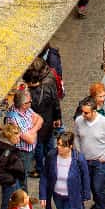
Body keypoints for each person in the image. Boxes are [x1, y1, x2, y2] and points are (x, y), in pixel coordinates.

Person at [73, 96, 105, 209]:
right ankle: (97, 204)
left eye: (86, 112)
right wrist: (79, 152)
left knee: (98, 187)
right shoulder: (79, 120)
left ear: (94, 111)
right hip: (86, 160)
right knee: (92, 186)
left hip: (101, 162)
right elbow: (76, 136)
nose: (83, 115)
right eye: (82, 112)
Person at [23, 58, 61, 199]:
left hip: (37, 125)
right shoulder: (48, 86)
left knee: (38, 147)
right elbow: (56, 103)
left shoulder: (31, 95)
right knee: (49, 145)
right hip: (49, 121)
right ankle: (52, 166)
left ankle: (40, 169)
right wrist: (57, 118)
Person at [5, 88, 43, 184]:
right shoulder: (14, 118)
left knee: (24, 175)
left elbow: (40, 119)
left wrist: (32, 130)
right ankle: (22, 196)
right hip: (22, 154)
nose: (31, 102)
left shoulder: (27, 110)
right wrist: (34, 126)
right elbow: (30, 140)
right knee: (22, 177)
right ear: (23, 104)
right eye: (29, 101)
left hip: (29, 151)